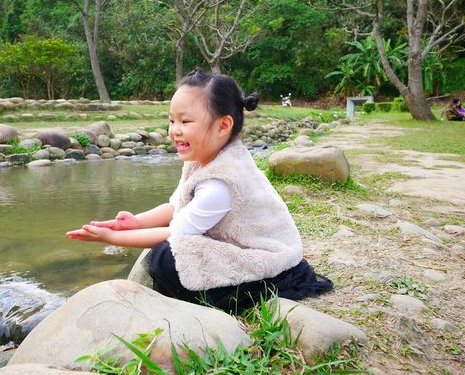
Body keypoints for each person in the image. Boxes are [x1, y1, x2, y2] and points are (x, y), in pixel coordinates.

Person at [67, 69, 333, 313]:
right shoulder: (205, 161)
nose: (174, 131)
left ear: (223, 125)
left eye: (186, 121)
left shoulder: (222, 182)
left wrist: (110, 238)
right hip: (242, 245)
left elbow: (175, 234)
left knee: (166, 256)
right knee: (167, 252)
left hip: (266, 260)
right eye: (171, 121)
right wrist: (135, 222)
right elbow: (176, 206)